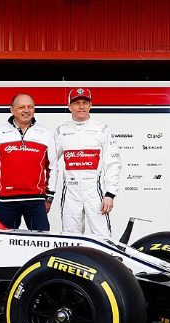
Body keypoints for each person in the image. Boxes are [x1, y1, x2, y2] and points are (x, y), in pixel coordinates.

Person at [0, 93, 57, 231]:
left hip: (36, 200)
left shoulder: (45, 133)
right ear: (12, 110)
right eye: (22, 107)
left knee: (42, 239)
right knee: (5, 240)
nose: (26, 110)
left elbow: (53, 167)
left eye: (30, 107)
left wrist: (49, 196)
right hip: (6, 200)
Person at [53, 88, 121, 236]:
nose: (81, 106)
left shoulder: (102, 129)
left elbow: (113, 163)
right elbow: (50, 163)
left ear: (91, 105)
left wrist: (110, 194)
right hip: (70, 193)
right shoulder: (61, 131)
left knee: (102, 237)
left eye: (85, 102)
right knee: (70, 238)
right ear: (69, 106)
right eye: (76, 103)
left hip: (94, 192)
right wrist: (48, 192)